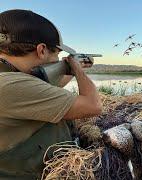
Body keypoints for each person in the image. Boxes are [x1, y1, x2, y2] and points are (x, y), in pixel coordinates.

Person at [0, 9, 102, 179]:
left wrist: (69, 68)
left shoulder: (13, 76)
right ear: (41, 50)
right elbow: (94, 105)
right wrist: (77, 70)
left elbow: (50, 86)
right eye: (57, 53)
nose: (58, 59)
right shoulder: (11, 85)